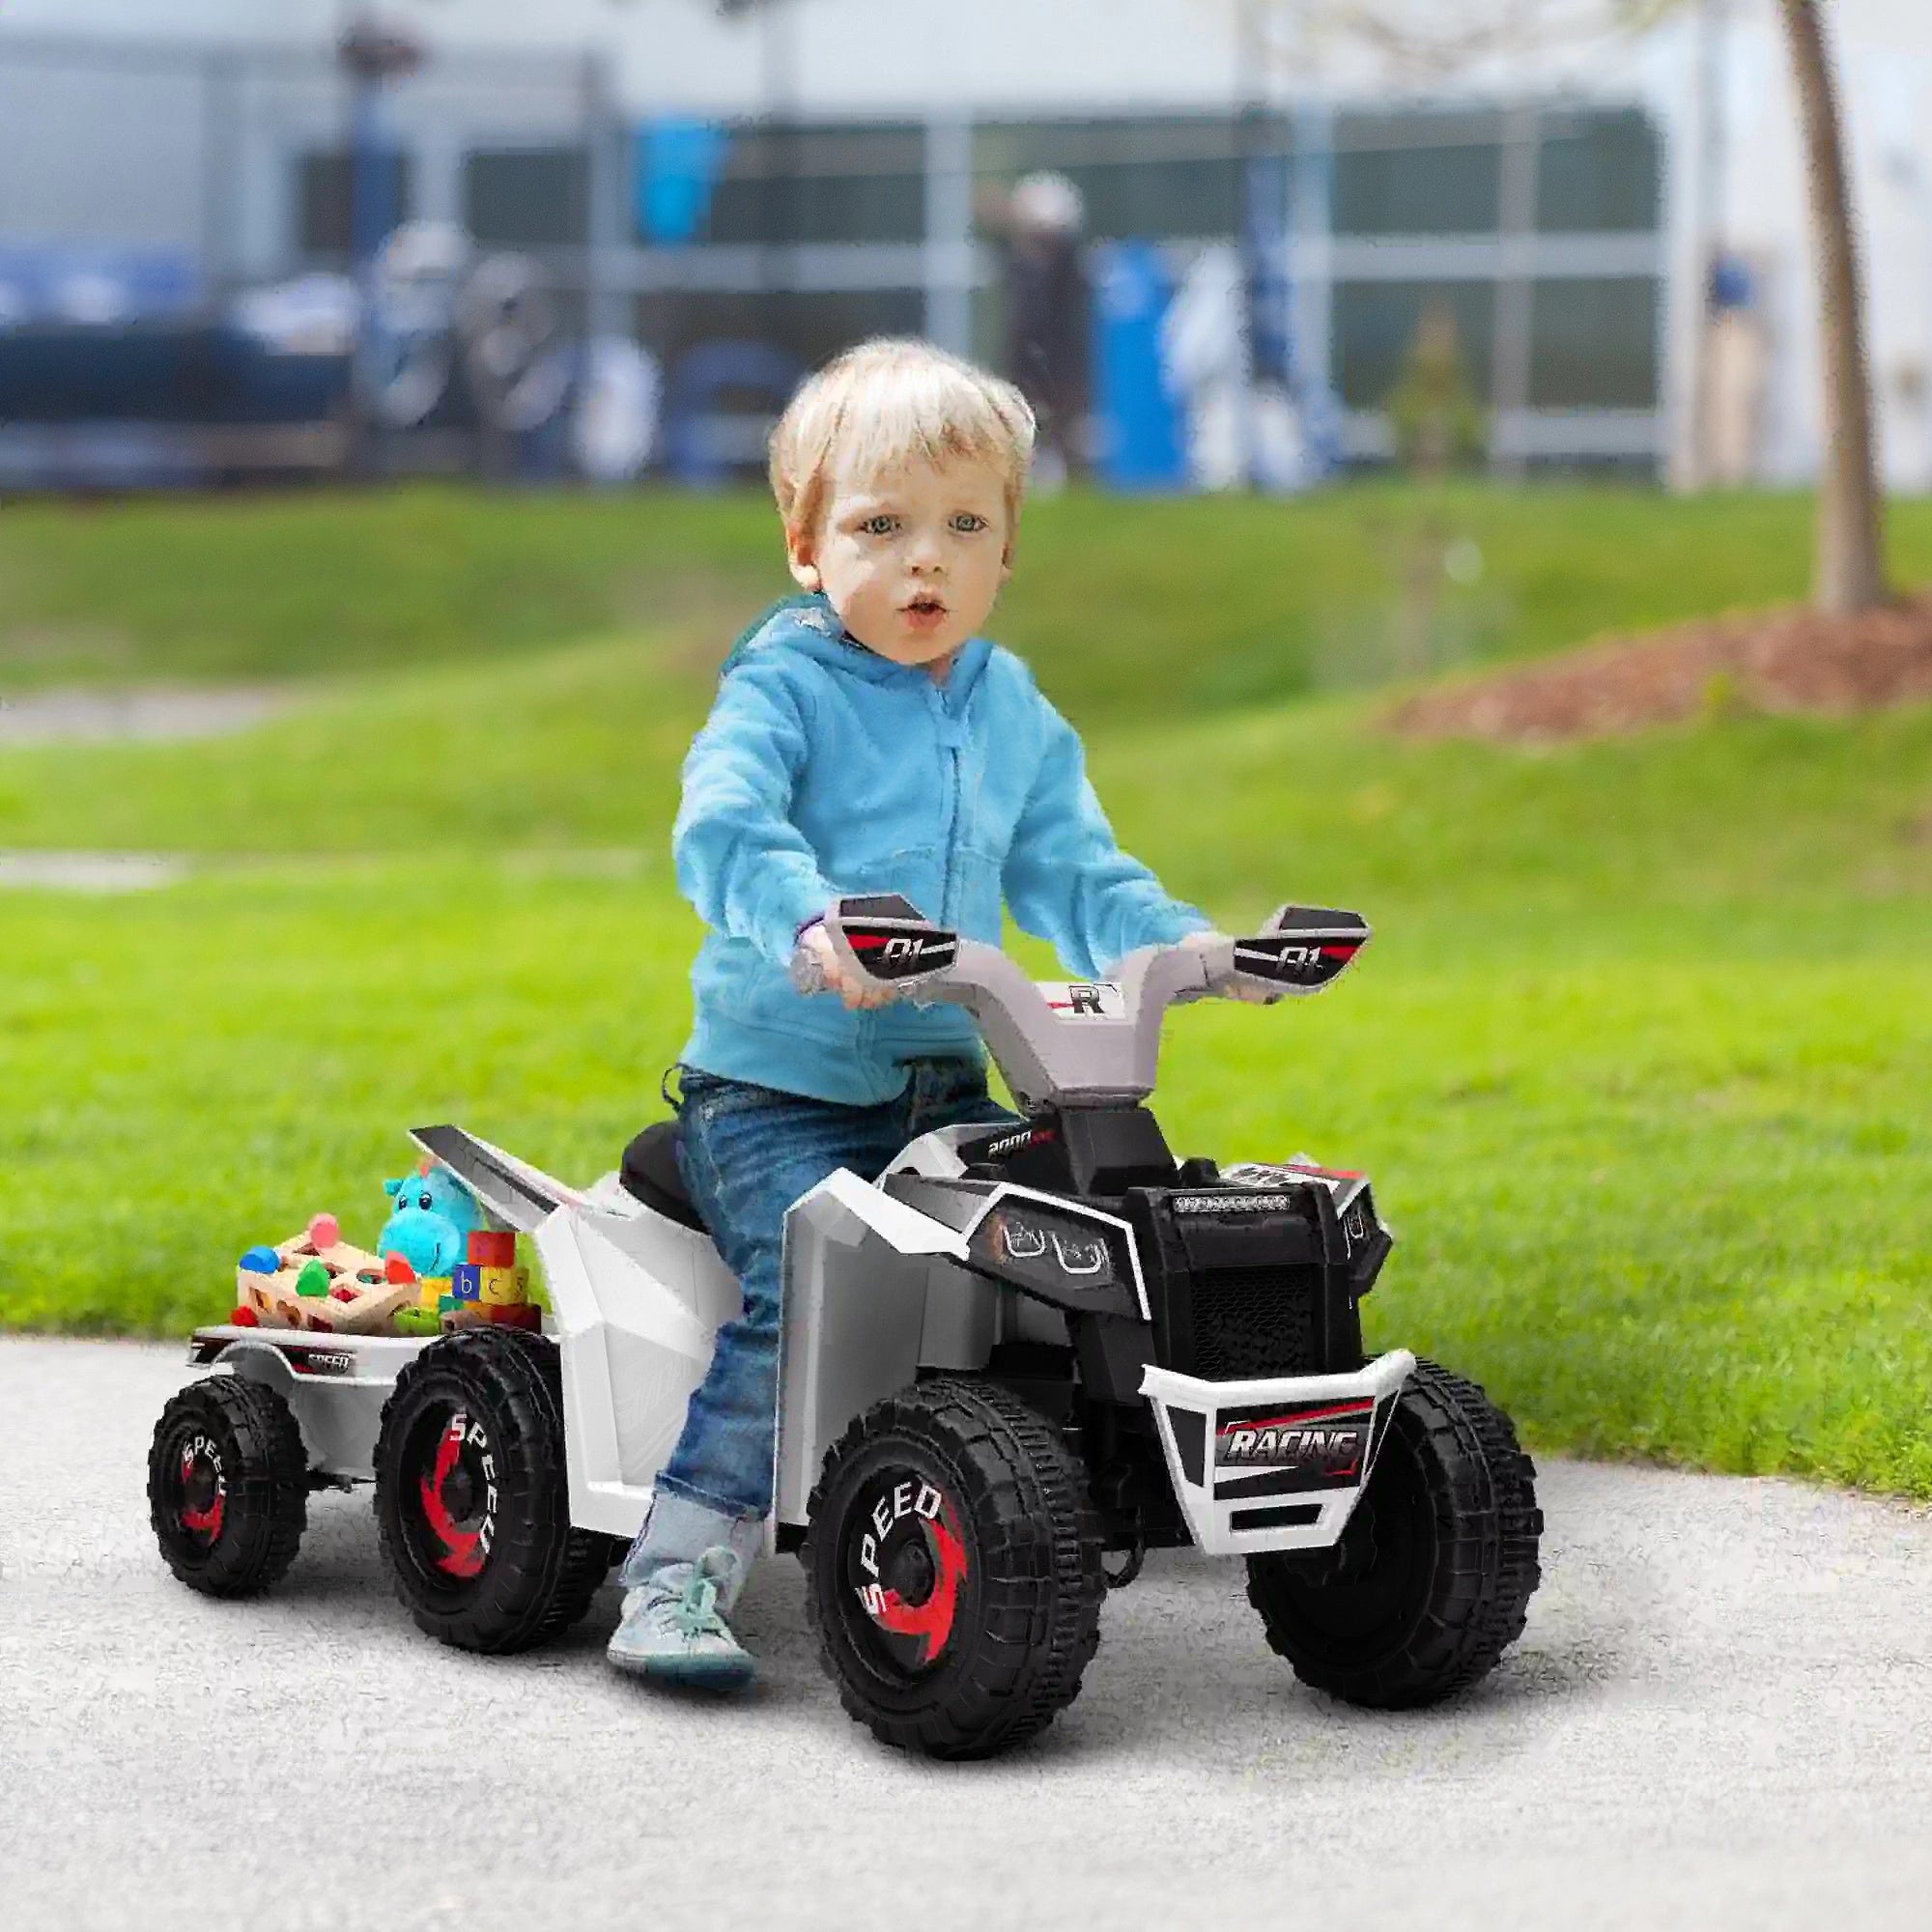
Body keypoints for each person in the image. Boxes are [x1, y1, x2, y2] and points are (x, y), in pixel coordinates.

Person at [606, 336, 1234, 1688]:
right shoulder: (783, 685)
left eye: (964, 526)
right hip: (775, 1092)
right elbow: (723, 824)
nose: (924, 562)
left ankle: (1048, 1510)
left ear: (1008, 550)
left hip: (948, 1079)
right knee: (806, 1300)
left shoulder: (1010, 708)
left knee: (1070, 1257)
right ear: (805, 544)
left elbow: (1073, 866)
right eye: (880, 528)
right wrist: (806, 922)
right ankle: (674, 1569)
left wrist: (1176, 942)